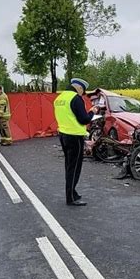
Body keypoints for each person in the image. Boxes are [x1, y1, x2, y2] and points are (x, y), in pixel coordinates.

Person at [54, 78, 98, 206]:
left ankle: (72, 192)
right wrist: (92, 112)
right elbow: (84, 119)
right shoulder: (75, 98)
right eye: (83, 91)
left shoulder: (60, 98)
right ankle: (71, 197)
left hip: (63, 134)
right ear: (79, 88)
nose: (83, 93)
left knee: (69, 165)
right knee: (74, 168)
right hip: (74, 136)